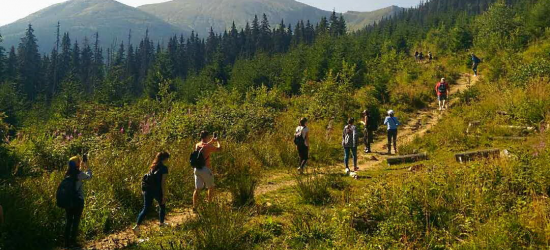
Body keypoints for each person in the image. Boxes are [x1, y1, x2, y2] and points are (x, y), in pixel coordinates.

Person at [134, 152, 170, 233]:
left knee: (145, 208)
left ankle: (137, 226)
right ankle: (161, 223)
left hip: (148, 189)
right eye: (167, 158)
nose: (168, 160)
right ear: (164, 159)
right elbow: (163, 182)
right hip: (157, 190)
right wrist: (164, 194)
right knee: (162, 206)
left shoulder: (153, 166)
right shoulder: (164, 168)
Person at [64, 156, 92, 247]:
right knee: (75, 222)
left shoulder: (66, 174)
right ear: (77, 164)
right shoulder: (79, 174)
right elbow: (89, 177)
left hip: (68, 201)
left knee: (69, 221)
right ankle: (73, 241)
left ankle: (66, 242)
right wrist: (86, 165)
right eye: (79, 161)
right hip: (78, 201)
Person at [193, 131, 221, 211]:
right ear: (206, 137)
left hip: (196, 169)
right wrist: (218, 141)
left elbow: (204, 146)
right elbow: (219, 149)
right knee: (211, 187)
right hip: (205, 169)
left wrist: (211, 141)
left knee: (197, 189)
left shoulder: (197, 145)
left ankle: (194, 206)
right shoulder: (208, 147)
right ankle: (209, 205)